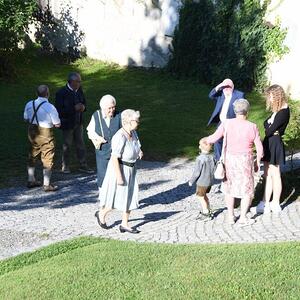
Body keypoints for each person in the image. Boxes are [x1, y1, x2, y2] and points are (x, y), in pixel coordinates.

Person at [205, 99, 263, 226]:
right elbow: (259, 148)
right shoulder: (252, 126)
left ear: (235, 111)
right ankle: (243, 218)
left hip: (229, 159)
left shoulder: (227, 123)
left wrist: (205, 140)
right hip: (245, 160)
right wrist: (258, 161)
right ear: (247, 112)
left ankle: (230, 216)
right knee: (246, 189)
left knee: (229, 187)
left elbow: (214, 138)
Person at [95, 109, 143, 234]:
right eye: (136, 120)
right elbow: (114, 158)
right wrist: (119, 176)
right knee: (115, 197)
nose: (138, 122)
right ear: (128, 121)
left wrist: (139, 152)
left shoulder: (133, 133)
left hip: (131, 169)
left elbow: (136, 146)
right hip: (120, 169)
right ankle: (101, 213)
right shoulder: (120, 136)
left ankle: (125, 224)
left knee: (130, 196)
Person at [256, 85, 290, 214]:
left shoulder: (284, 111)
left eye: (270, 96)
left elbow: (270, 129)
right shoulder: (276, 110)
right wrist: (269, 127)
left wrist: (270, 128)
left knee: (275, 174)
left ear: (276, 95)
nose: (269, 99)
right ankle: (265, 202)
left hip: (275, 143)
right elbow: (266, 123)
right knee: (267, 174)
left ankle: (275, 203)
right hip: (269, 142)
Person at [23, 85, 61, 192]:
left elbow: (25, 119)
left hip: (33, 133)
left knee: (32, 155)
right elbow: (57, 124)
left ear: (37, 93)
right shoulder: (50, 107)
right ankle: (46, 184)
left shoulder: (29, 104)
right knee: (48, 156)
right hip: (46, 134)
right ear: (48, 94)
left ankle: (31, 180)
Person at [55, 72, 93, 174]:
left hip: (78, 122)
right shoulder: (61, 93)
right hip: (67, 124)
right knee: (67, 145)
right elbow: (59, 111)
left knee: (80, 144)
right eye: (78, 81)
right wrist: (74, 109)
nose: (80, 83)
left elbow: (84, 102)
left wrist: (83, 107)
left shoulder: (79, 90)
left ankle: (83, 164)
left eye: (80, 81)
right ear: (71, 82)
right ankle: (65, 166)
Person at [86, 95, 121, 198]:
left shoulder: (119, 115)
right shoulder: (96, 116)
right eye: (109, 108)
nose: (112, 110)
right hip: (103, 151)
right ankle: (103, 198)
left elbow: (127, 131)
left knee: (118, 173)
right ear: (103, 107)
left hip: (117, 152)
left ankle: (117, 197)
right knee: (102, 174)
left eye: (113, 107)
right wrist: (98, 139)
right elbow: (90, 131)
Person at [207, 78, 245, 160]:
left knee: (231, 142)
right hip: (222, 123)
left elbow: (242, 109)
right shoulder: (221, 94)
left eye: (229, 87)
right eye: (225, 87)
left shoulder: (239, 95)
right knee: (217, 140)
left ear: (233, 87)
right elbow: (210, 95)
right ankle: (218, 160)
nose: (227, 89)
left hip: (232, 123)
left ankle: (230, 160)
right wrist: (220, 86)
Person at [188, 138, 216, 221]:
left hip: (202, 182)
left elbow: (197, 173)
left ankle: (206, 212)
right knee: (205, 196)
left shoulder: (200, 159)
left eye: (200, 145)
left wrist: (191, 181)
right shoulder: (212, 157)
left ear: (203, 147)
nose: (199, 146)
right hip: (209, 181)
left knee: (200, 197)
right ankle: (208, 208)